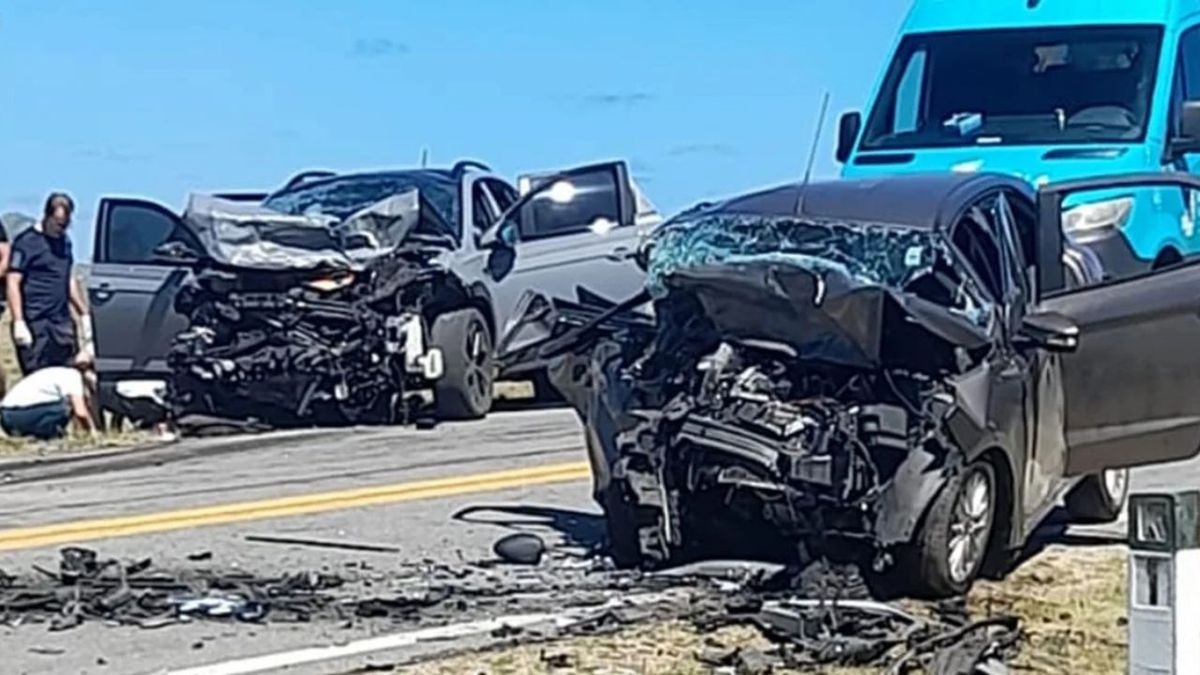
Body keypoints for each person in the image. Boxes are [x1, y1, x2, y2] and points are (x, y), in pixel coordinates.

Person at [7, 192, 93, 375]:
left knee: (70, 373)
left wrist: (83, 313)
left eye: (65, 224)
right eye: (58, 223)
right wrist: (18, 321)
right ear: (47, 216)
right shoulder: (26, 242)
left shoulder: (65, 243)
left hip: (61, 323)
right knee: (38, 377)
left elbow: (68, 278)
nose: (61, 228)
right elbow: (13, 281)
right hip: (36, 321)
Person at [0, 351, 96, 440]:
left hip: (8, 416)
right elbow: (80, 412)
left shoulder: (60, 373)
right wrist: (92, 432)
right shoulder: (73, 376)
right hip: (16, 414)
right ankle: (50, 434)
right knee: (66, 406)